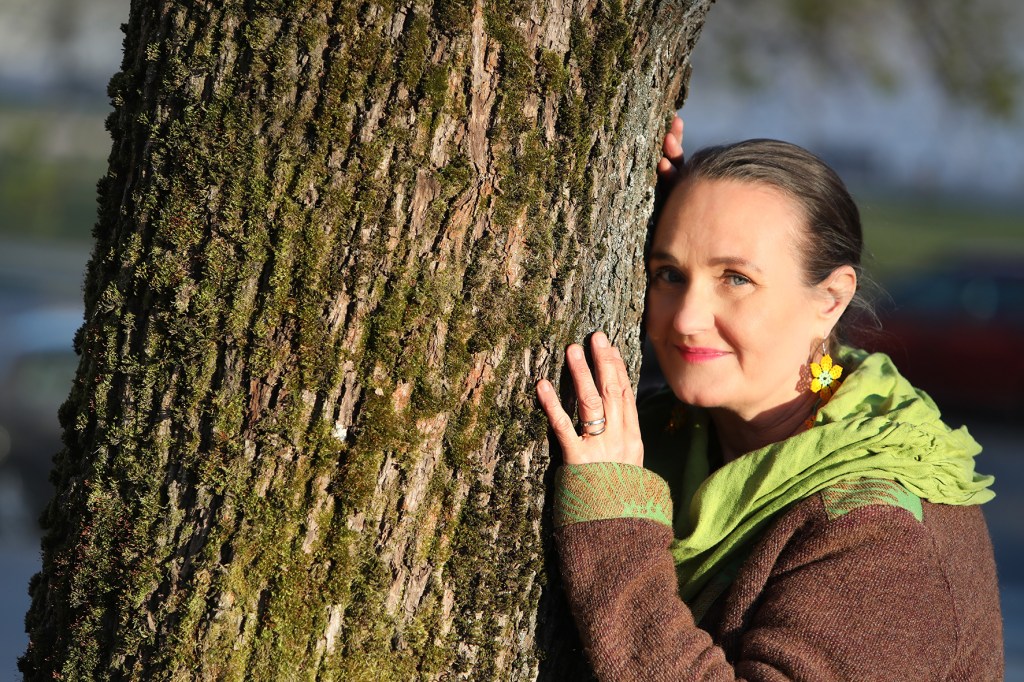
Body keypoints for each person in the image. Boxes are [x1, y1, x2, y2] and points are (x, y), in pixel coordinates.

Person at [535, 117, 1003, 680]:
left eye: (735, 278)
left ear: (829, 299)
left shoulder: (885, 532)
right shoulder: (672, 433)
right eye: (668, 273)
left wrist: (615, 524)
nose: (685, 320)